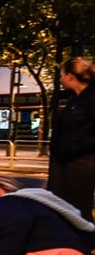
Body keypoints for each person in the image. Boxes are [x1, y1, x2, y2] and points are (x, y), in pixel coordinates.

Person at [48, 57, 95, 221]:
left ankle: (83, 242)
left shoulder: (90, 98)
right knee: (62, 208)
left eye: (61, 75)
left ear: (70, 76)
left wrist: (74, 148)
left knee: (79, 209)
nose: (60, 80)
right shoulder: (73, 100)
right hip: (64, 163)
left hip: (80, 164)